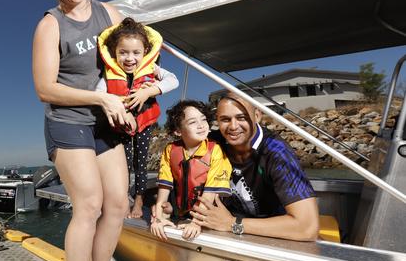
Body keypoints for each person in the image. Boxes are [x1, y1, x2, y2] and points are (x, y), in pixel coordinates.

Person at [32, 0, 130, 261]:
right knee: (89, 205)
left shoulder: (110, 13)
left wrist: (143, 84)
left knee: (117, 204)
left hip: (106, 123)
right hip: (68, 121)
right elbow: (45, 88)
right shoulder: (50, 25)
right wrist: (101, 97)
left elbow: (131, 60)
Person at [190, 92, 319, 241]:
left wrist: (232, 223)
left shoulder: (277, 152)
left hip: (277, 234)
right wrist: (164, 205)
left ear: (257, 116)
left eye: (241, 117)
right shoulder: (212, 142)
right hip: (226, 230)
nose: (233, 126)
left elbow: (307, 227)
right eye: (225, 119)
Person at [96, 17, 178, 218]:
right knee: (123, 164)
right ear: (114, 52)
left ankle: (139, 200)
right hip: (120, 127)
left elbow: (172, 80)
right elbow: (99, 94)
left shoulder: (152, 69)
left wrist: (148, 92)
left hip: (145, 123)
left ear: (145, 52)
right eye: (123, 52)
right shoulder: (108, 74)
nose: (129, 58)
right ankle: (123, 198)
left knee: (140, 164)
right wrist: (115, 109)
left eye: (136, 53)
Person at [149, 100, 232, 240]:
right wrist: (158, 217)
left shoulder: (215, 151)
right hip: (182, 211)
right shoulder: (170, 150)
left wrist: (196, 223)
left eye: (204, 119)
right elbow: (164, 188)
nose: (201, 126)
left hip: (208, 213)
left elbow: (210, 193)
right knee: (162, 208)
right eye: (193, 122)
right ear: (178, 131)